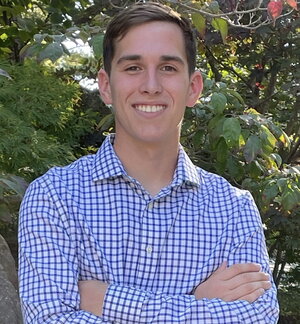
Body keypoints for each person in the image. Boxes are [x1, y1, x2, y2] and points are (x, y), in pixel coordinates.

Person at [18, 2, 279, 323]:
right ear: (105, 85)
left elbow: (258, 317)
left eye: (168, 67)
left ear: (193, 87)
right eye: (132, 67)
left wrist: (106, 300)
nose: (151, 85)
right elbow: (51, 319)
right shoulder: (54, 197)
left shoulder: (233, 209)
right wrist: (196, 301)